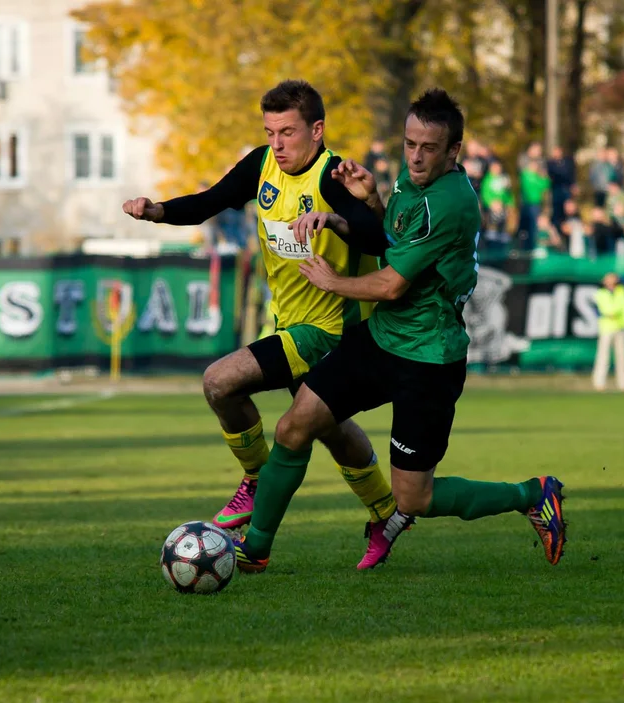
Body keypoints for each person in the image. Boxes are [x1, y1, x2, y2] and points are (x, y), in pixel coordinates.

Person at [229, 89, 567, 573]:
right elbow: (395, 234)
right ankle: (255, 549)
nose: (416, 156)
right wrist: (370, 200)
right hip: (382, 339)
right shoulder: (412, 179)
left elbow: (391, 284)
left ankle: (533, 495)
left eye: (429, 148)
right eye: (410, 144)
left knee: (415, 496)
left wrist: (335, 282)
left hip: (428, 358)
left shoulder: (450, 202)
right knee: (294, 424)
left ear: (454, 151)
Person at [121, 80, 404, 569]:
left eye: (288, 132)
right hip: (289, 323)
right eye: (270, 131)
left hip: (329, 329)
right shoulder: (263, 165)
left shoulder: (335, 177)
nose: (277, 143)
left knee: (220, 381)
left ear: (317, 131)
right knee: (332, 428)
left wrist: (335, 221)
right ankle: (385, 511)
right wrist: (158, 212)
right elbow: (212, 199)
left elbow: (380, 238)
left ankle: (255, 479)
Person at [591, 273, 624, 392]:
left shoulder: (621, 290)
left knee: (622, 357)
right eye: (607, 279)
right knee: (603, 356)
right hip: (606, 328)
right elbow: (599, 310)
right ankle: (599, 383)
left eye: (611, 278)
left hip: (620, 327)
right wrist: (608, 314)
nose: (609, 281)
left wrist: (618, 278)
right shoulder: (600, 293)